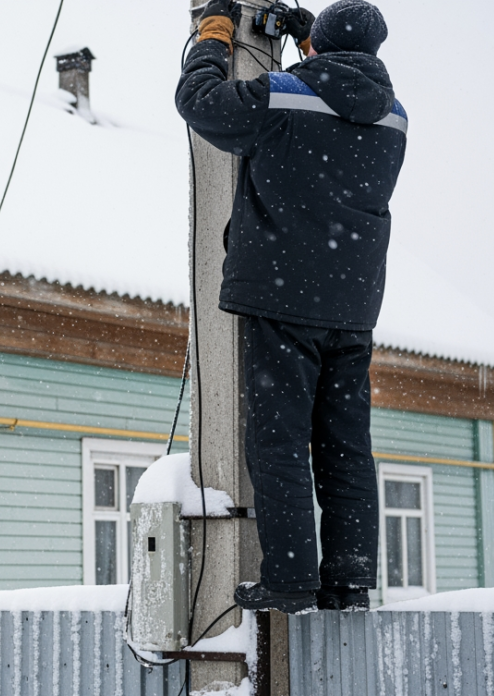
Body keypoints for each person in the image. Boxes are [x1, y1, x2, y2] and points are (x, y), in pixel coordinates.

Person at [176, 0, 407, 613]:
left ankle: (290, 580)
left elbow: (199, 102)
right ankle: (349, 580)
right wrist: (312, 49)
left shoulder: (282, 97)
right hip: (353, 306)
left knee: (278, 442)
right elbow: (335, 100)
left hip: (283, 296)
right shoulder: (394, 115)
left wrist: (213, 35)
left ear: (322, 46)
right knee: (345, 448)